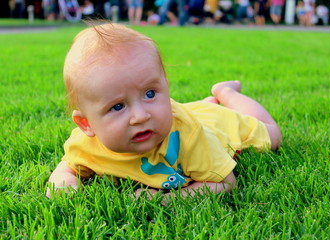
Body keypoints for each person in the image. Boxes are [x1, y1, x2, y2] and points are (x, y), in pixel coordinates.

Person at [46, 23, 281, 199]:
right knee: (196, 113)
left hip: (216, 126)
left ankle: (227, 93)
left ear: (166, 86)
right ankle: (206, 103)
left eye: (150, 94)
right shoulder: (86, 145)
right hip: (189, 115)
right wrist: (63, 182)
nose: (140, 116)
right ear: (87, 125)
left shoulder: (190, 136)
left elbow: (224, 182)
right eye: (117, 106)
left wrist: (164, 199)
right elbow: (69, 165)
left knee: (273, 138)